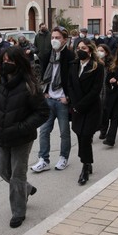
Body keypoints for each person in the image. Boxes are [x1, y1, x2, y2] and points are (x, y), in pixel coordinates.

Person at [0, 46, 49, 228]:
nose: (6, 64)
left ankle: (18, 212)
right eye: (4, 60)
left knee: (17, 175)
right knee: (3, 170)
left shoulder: (29, 85)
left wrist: (22, 127)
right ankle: (26, 189)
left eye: (10, 61)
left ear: (19, 63)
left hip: (22, 138)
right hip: (1, 136)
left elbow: (43, 112)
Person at [31, 27, 75, 173]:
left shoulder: (70, 56)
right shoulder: (46, 54)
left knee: (64, 132)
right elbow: (41, 75)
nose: (54, 40)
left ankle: (63, 157)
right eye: (53, 38)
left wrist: (68, 97)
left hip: (62, 101)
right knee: (44, 130)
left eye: (58, 38)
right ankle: (43, 159)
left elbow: (72, 80)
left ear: (65, 40)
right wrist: (44, 92)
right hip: (49, 99)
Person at [67, 38, 104, 185]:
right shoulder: (73, 65)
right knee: (79, 133)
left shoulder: (97, 67)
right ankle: (87, 162)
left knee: (86, 137)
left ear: (90, 49)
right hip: (76, 107)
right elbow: (69, 84)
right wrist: (74, 104)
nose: (80, 50)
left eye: (83, 48)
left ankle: (85, 166)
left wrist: (81, 105)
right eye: (78, 48)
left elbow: (96, 90)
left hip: (90, 108)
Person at [96, 44, 113, 140]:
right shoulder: (94, 62)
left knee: (105, 112)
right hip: (96, 91)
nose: (99, 52)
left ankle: (103, 131)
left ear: (106, 52)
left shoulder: (110, 63)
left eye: (101, 50)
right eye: (98, 50)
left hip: (106, 90)